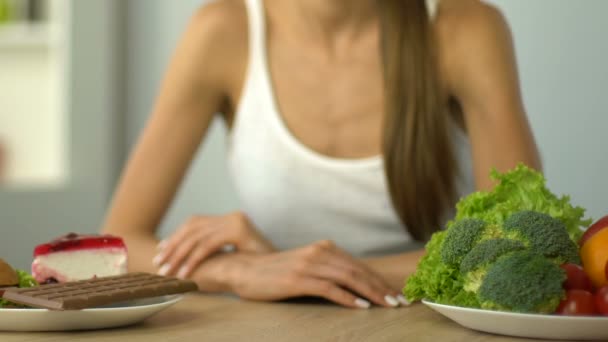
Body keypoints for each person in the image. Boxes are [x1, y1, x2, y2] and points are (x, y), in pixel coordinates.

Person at [102, 0, 540, 309]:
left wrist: (299, 270)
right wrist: (240, 270)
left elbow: (517, 241)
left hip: (428, 323)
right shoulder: (221, 32)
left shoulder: (467, 29)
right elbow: (120, 243)